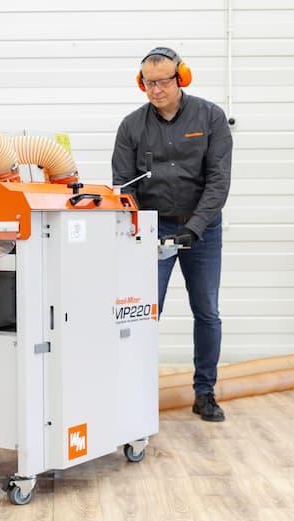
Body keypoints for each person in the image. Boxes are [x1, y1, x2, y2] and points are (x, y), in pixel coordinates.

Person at [111, 47, 232, 422]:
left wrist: (194, 228)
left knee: (207, 311)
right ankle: (136, 394)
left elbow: (218, 181)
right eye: (149, 83)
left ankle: (204, 393)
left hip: (202, 227)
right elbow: (123, 186)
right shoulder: (131, 126)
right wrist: (139, 229)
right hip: (153, 228)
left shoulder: (210, 117)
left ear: (182, 78)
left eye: (163, 81)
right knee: (144, 313)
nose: (156, 89)